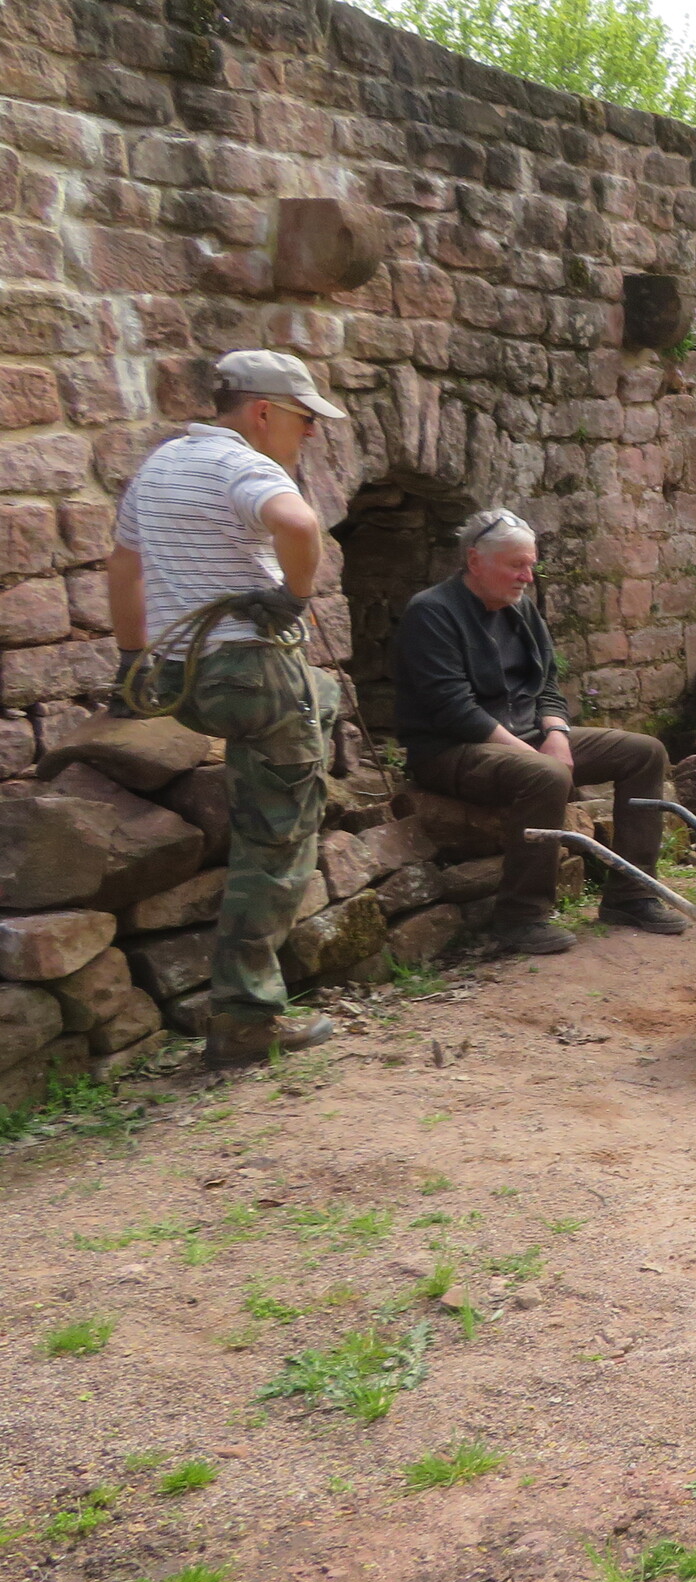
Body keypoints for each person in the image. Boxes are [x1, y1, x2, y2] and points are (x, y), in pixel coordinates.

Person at [108, 350, 347, 1067]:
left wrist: (131, 658)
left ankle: (294, 768)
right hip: (254, 673)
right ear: (263, 411)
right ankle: (246, 1021)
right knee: (276, 849)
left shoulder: (159, 467)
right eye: (304, 418)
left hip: (189, 679)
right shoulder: (242, 465)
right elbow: (298, 524)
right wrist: (294, 598)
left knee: (322, 696)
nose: (311, 433)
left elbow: (124, 565)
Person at [393, 510, 686, 955]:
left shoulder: (521, 608)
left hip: (523, 737)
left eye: (530, 565)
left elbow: (546, 684)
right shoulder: (431, 612)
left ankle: (631, 895)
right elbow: (453, 710)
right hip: (451, 750)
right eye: (516, 565)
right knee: (546, 774)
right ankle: (521, 917)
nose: (527, 577)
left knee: (644, 752)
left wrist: (556, 736)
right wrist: (534, 755)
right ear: (475, 561)